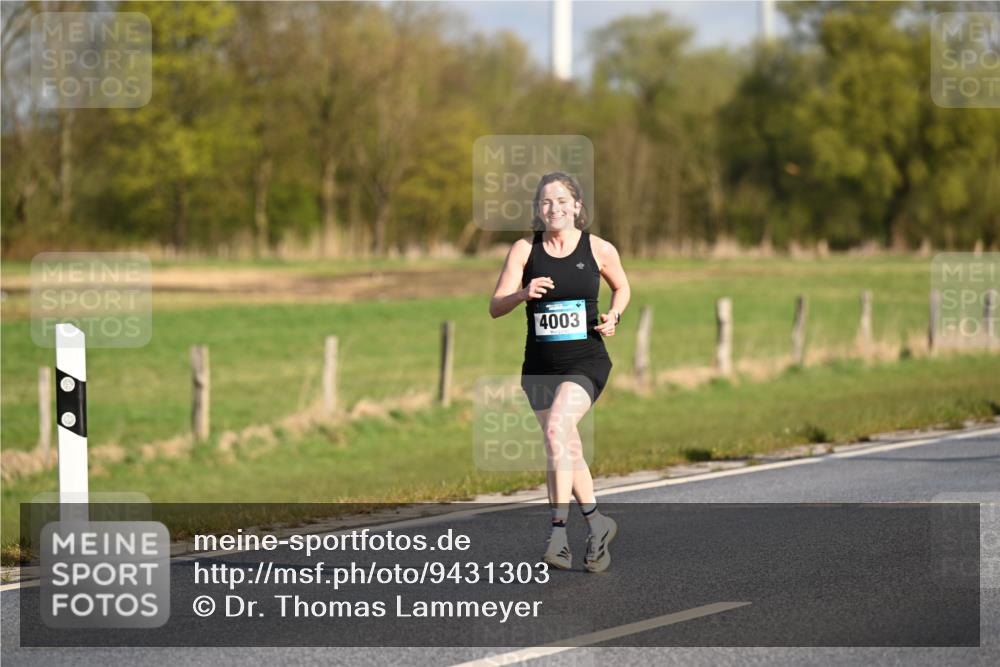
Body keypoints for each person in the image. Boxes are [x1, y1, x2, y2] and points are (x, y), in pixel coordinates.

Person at [489, 171, 631, 572]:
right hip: (538, 366)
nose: (555, 209)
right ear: (538, 209)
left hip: (586, 360)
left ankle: (556, 535)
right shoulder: (523, 250)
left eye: (563, 201)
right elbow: (495, 306)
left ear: (577, 207)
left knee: (556, 432)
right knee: (565, 448)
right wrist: (522, 293)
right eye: (547, 202)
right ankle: (598, 524)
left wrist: (614, 315)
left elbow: (622, 287)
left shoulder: (599, 248)